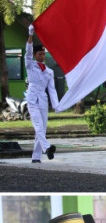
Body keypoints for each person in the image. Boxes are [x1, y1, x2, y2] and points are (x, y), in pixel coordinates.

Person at [26, 24, 58, 163]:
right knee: (38, 125)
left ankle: (36, 157)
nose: (42, 56)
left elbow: (52, 90)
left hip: (43, 100)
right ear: (35, 55)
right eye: (39, 54)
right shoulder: (30, 65)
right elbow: (27, 53)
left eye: (44, 54)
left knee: (42, 128)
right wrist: (31, 36)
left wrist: (56, 105)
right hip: (32, 98)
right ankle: (47, 148)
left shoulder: (49, 71)